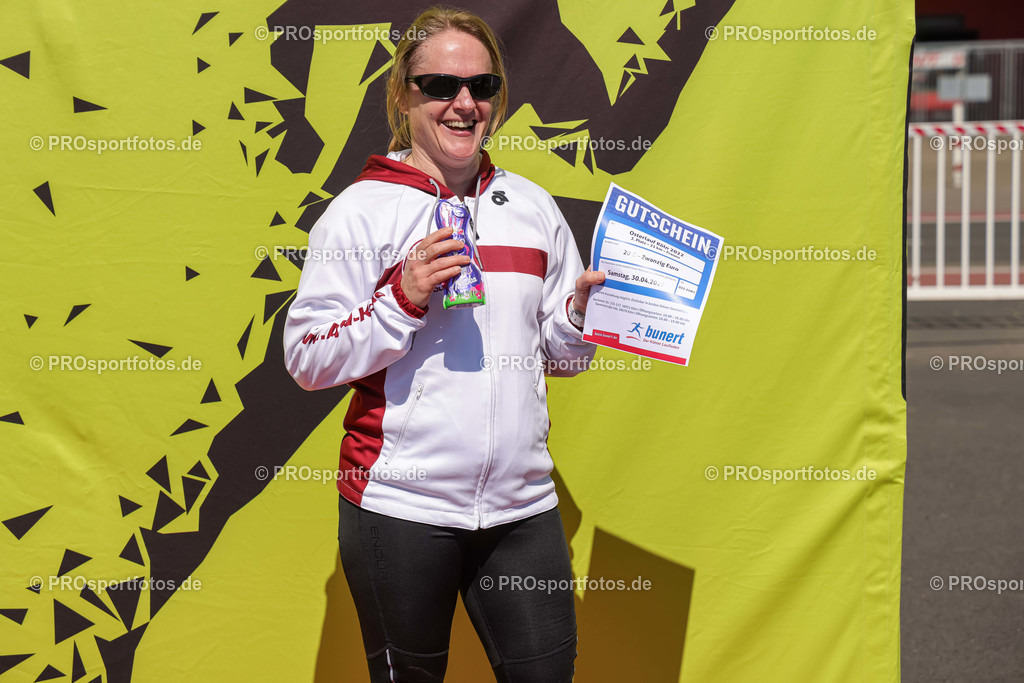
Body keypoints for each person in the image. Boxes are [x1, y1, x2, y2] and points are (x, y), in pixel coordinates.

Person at [284, 6, 605, 681]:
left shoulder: (533, 207)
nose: (464, 104)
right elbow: (307, 358)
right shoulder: (359, 212)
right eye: (440, 86)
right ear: (404, 95)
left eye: (482, 87)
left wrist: (578, 317)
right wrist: (400, 297)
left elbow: (562, 358)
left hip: (522, 509)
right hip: (401, 507)